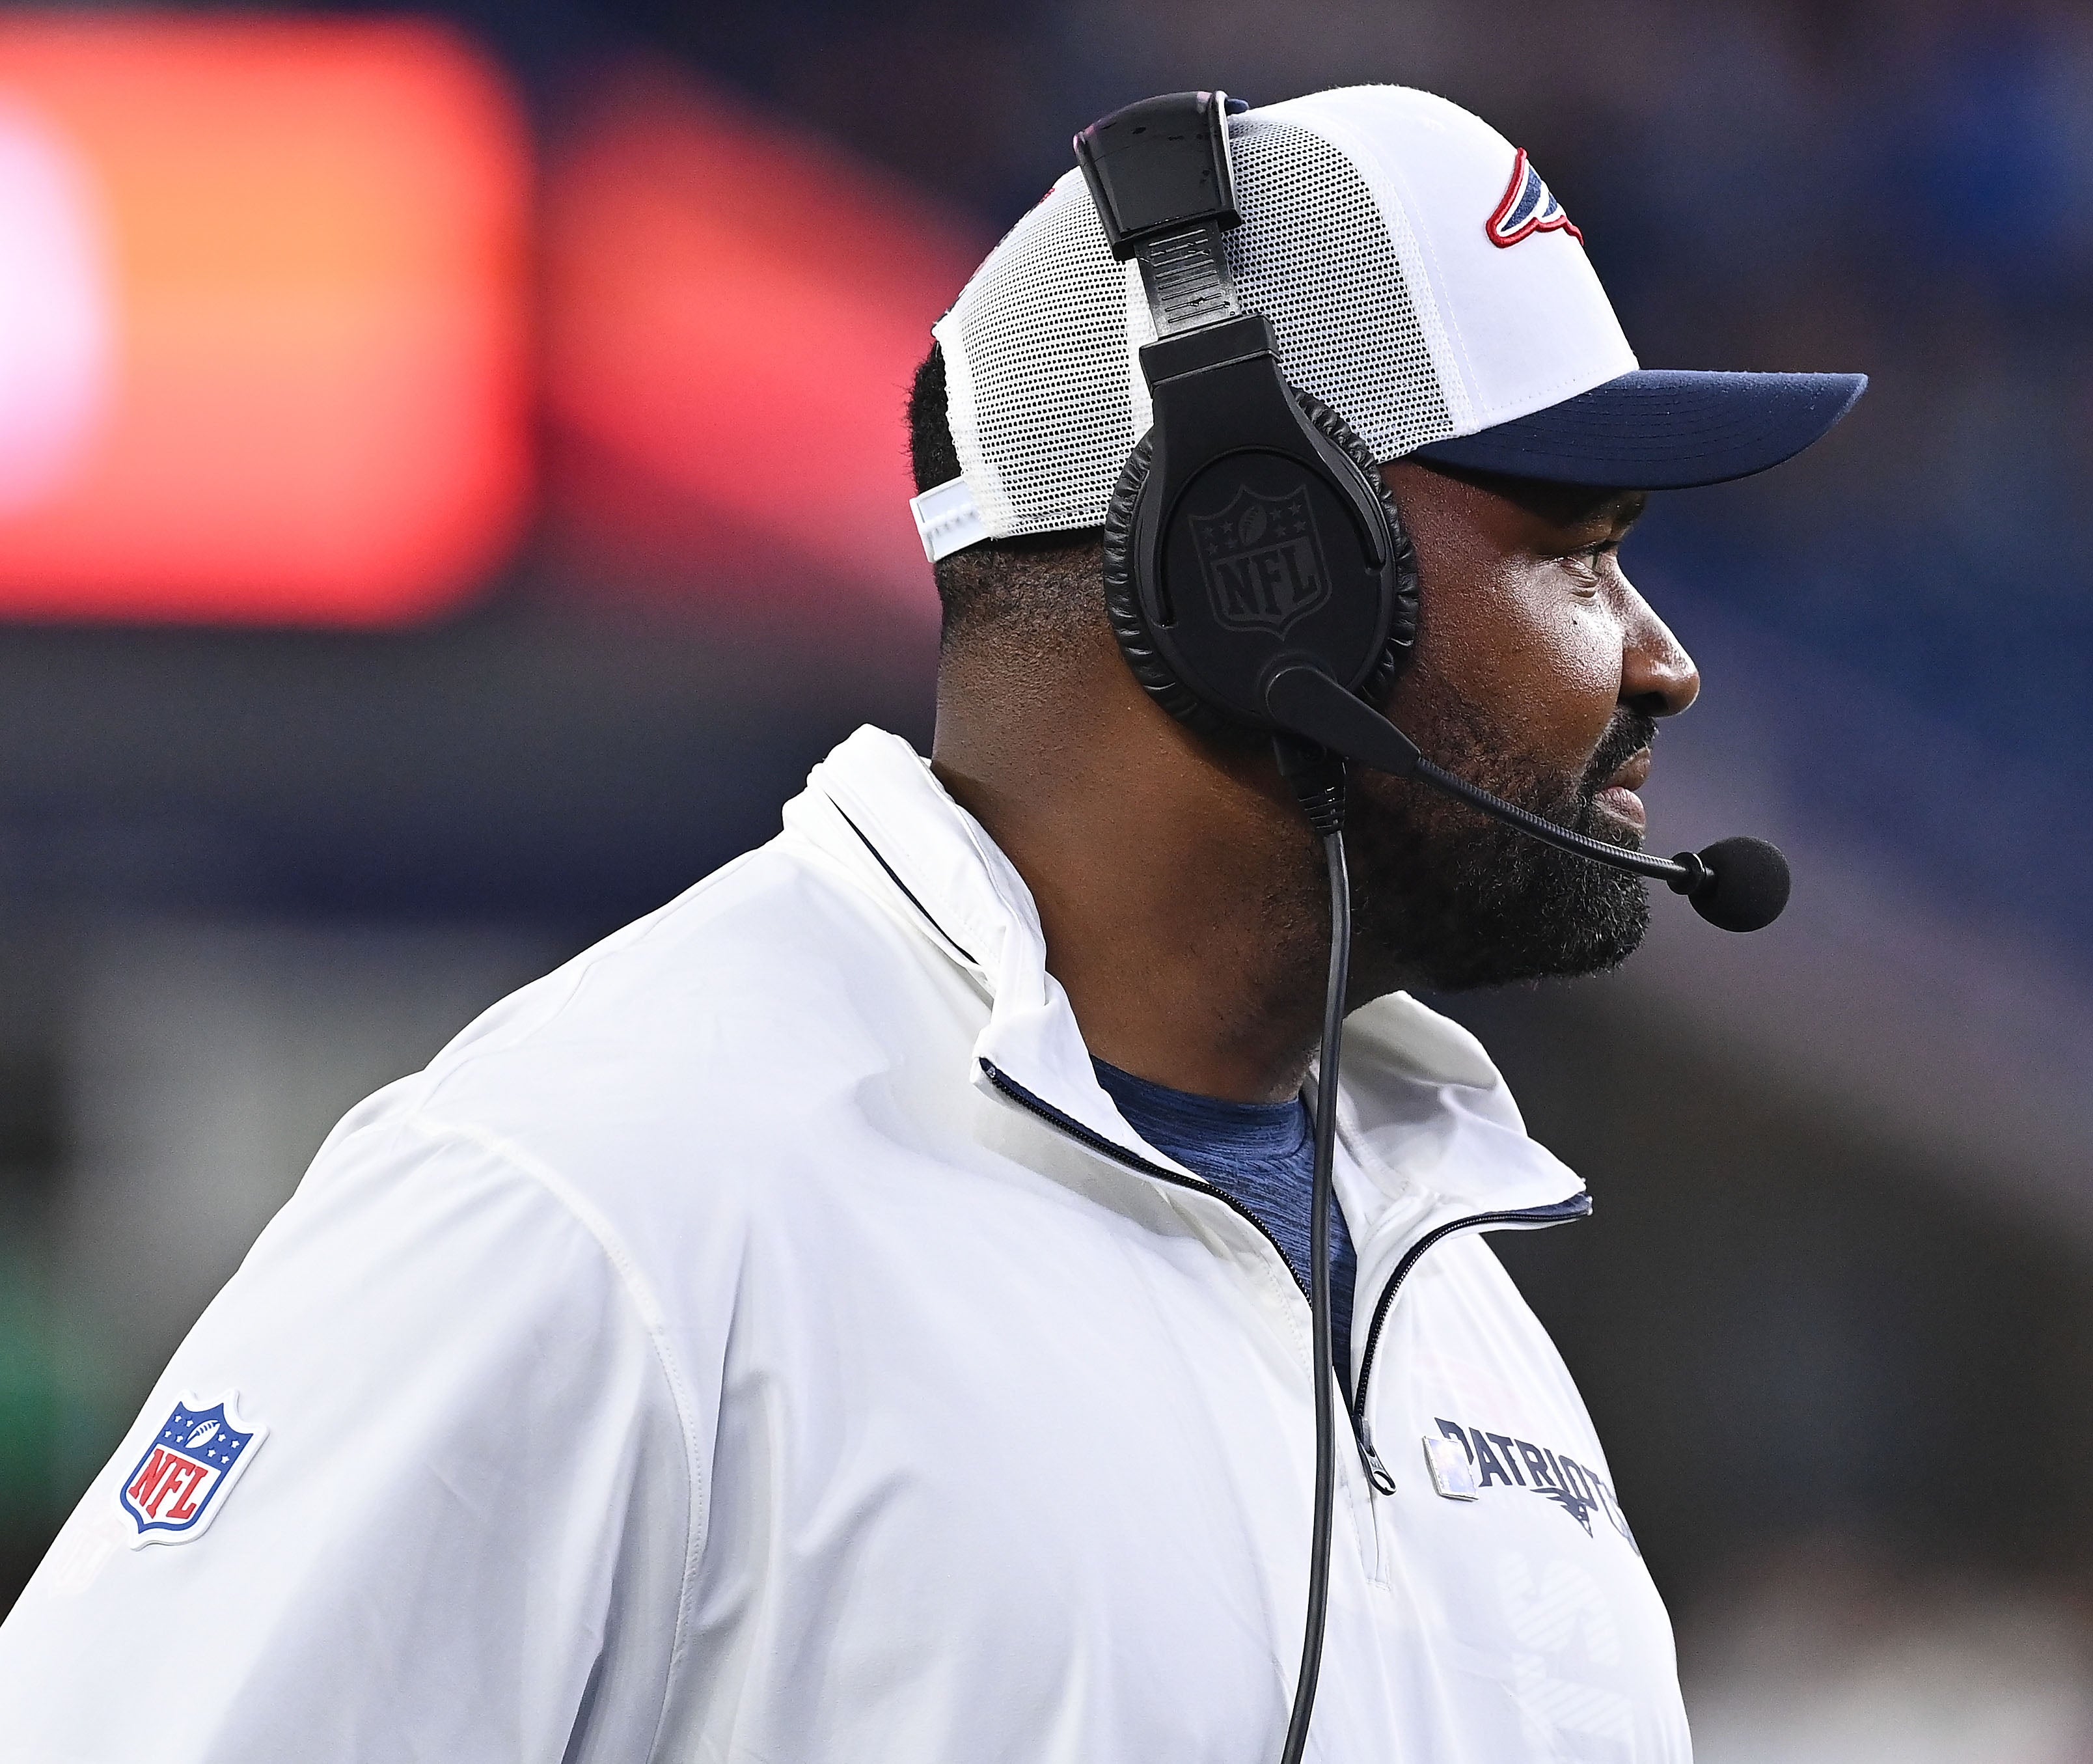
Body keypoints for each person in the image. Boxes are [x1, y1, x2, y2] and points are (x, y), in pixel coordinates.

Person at [0, 85, 1860, 1761]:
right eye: (1578, 549)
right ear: (1264, 572)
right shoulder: (603, 1195)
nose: (1660, 662)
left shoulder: (1447, 1281)